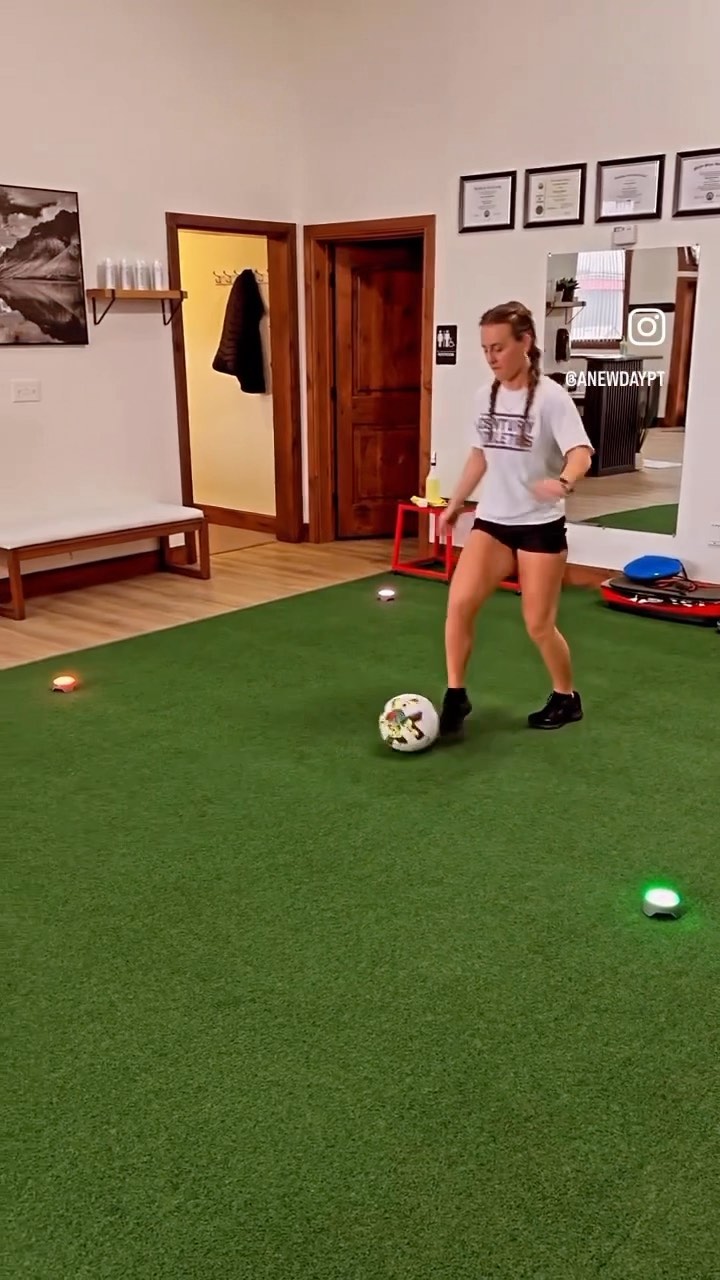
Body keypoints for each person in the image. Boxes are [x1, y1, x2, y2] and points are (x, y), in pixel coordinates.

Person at [437, 300, 594, 735]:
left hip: (540, 525)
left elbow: (581, 453)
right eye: (485, 349)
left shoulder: (551, 398)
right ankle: (455, 695)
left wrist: (563, 482)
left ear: (525, 342)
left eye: (499, 347)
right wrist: (455, 503)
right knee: (459, 605)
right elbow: (479, 457)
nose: (491, 357)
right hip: (493, 522)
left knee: (538, 624)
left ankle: (566, 697)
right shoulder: (482, 397)